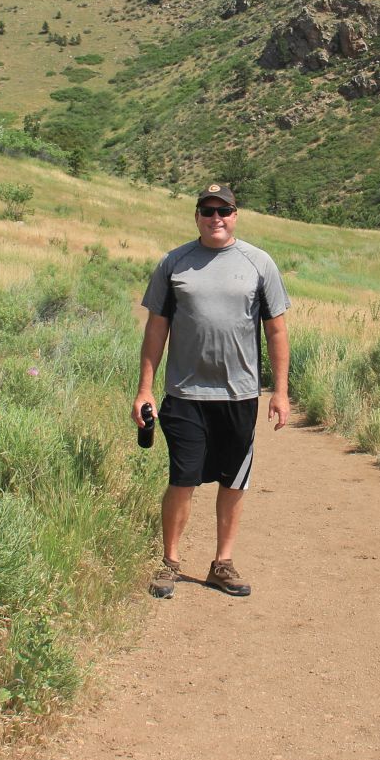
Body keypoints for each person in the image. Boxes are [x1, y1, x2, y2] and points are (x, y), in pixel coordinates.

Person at [133, 182, 290, 599]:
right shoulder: (174, 263)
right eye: (207, 211)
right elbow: (156, 329)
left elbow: (275, 329)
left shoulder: (259, 263)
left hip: (239, 395)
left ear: (235, 215)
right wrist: (145, 389)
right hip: (185, 394)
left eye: (223, 211)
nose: (215, 218)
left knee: (233, 481)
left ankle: (223, 563)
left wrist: (280, 391)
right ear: (197, 215)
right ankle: (169, 563)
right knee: (182, 477)